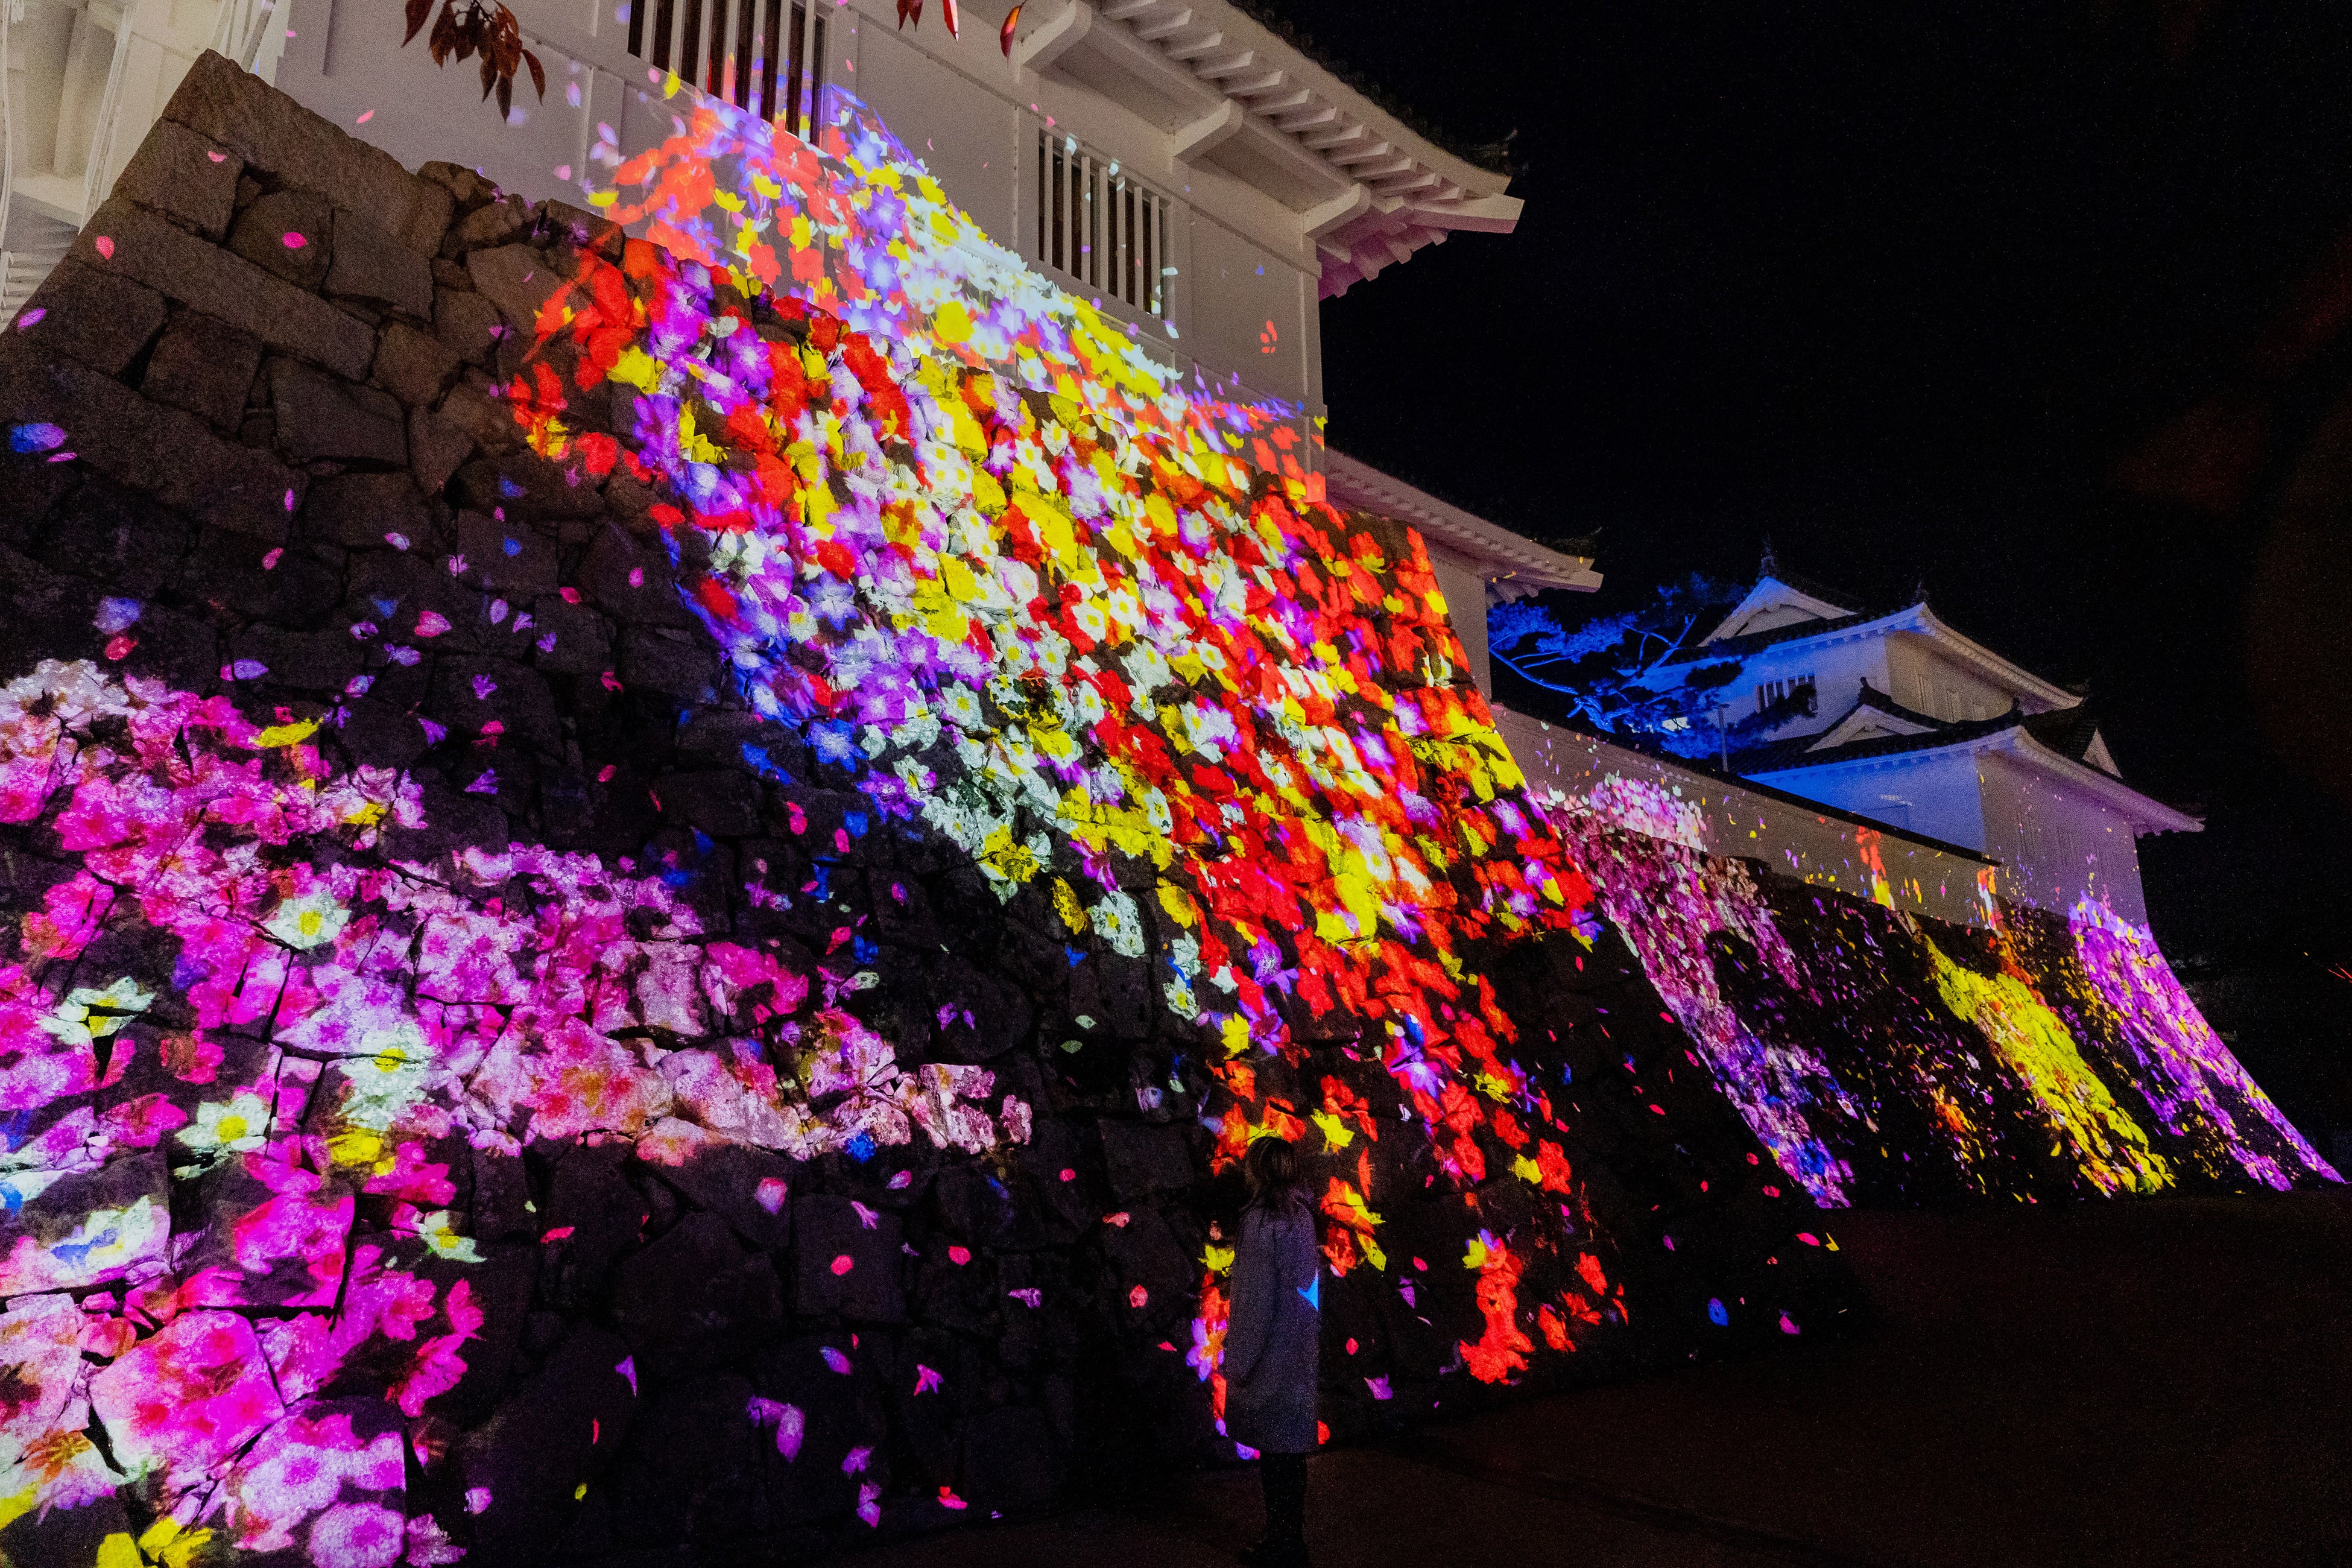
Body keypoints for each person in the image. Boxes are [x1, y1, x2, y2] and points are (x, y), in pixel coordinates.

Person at [1222, 1134, 1321, 1567]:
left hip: (1267, 1359)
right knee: (1290, 1457)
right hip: (1296, 1354)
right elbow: (1307, 1290)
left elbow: (1254, 1299)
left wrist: (1240, 1361)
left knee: (1274, 1458)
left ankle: (1281, 1544)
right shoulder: (1302, 1219)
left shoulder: (1260, 1224)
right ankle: (1289, 1538)